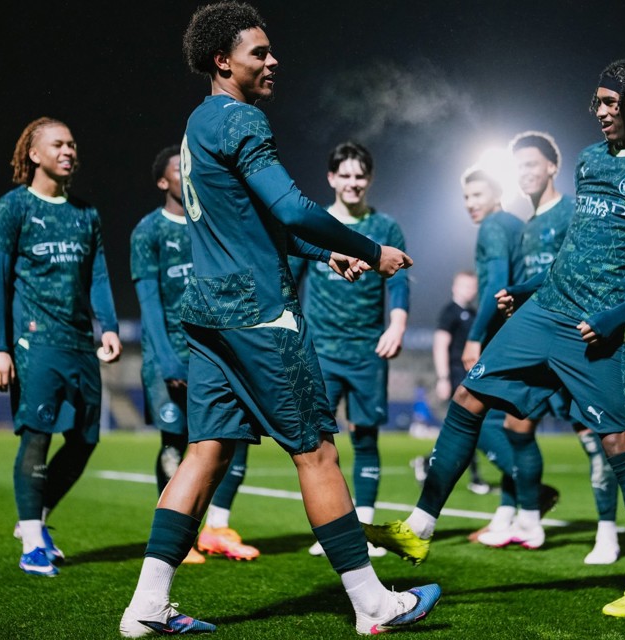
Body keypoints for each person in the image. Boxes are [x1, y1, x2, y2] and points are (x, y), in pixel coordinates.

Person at [119, 3, 438, 636]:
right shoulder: (242, 119)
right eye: (259, 53)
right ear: (222, 60)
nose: (272, 61)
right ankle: (373, 604)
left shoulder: (198, 122)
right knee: (317, 452)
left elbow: (254, 221)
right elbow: (290, 209)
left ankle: (146, 606)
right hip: (259, 313)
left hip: (210, 312)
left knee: (204, 452)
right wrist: (367, 250)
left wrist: (326, 255)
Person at [367, 57, 625, 618]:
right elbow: (578, 250)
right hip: (545, 310)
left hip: (600, 330)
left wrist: (619, 317)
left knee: (620, 446)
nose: (599, 112)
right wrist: (527, 287)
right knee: (468, 396)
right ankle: (420, 526)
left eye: (610, 103)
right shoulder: (591, 162)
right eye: (596, 102)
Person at [0, 116, 122, 578]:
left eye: (72, 143)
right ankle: (33, 541)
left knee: (85, 440)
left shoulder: (86, 214)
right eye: (58, 144)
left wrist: (108, 326)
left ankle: (35, 521)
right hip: (34, 340)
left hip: (80, 342)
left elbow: (98, 275)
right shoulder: (12, 209)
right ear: (34, 154)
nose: (68, 150)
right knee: (37, 437)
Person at [476, 130, 620, 565]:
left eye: (533, 164)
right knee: (515, 428)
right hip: (538, 342)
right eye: (518, 166)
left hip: (576, 339)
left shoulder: (575, 211)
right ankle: (529, 519)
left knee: (597, 440)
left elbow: (587, 269)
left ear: (553, 167)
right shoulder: (528, 226)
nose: (525, 174)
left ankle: (608, 533)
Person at [130, 145, 260, 565]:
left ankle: (216, 529)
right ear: (163, 182)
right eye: (176, 171)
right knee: (175, 442)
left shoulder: (209, 223)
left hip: (217, 349)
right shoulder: (147, 232)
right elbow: (148, 303)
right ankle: (175, 537)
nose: (186, 177)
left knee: (234, 436)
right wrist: (167, 360)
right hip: (168, 353)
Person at [288, 141, 409, 558]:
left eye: (360, 175)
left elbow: (400, 280)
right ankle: (332, 528)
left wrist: (397, 322)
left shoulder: (387, 227)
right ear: (331, 178)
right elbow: (294, 275)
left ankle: (364, 527)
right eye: (346, 175)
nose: (353, 182)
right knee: (318, 440)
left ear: (369, 179)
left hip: (367, 349)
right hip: (320, 347)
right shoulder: (316, 223)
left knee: (366, 436)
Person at [459, 166, 558, 546]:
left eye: (478, 195)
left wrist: (475, 335)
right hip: (532, 334)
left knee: (479, 423)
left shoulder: (495, 226)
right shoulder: (518, 225)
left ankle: (533, 499)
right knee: (510, 425)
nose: (470, 204)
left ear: (497, 194)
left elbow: (497, 284)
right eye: (466, 197)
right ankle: (506, 514)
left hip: (507, 339)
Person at [424, 270, 489, 494]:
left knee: (461, 431)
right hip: (453, 378)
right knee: (464, 429)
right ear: (454, 287)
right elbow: (440, 344)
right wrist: (442, 379)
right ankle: (475, 478)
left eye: (472, 286)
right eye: (465, 286)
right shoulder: (449, 312)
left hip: (468, 377)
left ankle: (426, 463)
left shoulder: (472, 313)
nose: (469, 290)